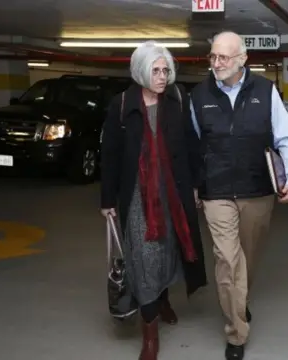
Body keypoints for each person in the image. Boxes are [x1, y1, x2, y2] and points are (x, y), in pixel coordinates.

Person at [189, 31, 288, 360]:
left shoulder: (265, 91)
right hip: (217, 191)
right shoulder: (199, 95)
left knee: (247, 260)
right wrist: (195, 184)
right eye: (213, 56)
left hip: (257, 191)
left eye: (224, 57)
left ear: (243, 59)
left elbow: (287, 139)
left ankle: (240, 301)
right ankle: (236, 332)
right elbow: (192, 145)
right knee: (227, 259)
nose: (217, 63)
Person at [100, 41, 208, 360]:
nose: (162, 77)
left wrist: (195, 186)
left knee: (169, 248)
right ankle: (150, 333)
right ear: (140, 72)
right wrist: (107, 200)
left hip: (172, 189)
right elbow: (110, 157)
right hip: (136, 194)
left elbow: (191, 144)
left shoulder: (175, 98)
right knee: (144, 256)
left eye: (165, 70)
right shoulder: (120, 105)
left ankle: (162, 298)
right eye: (156, 71)